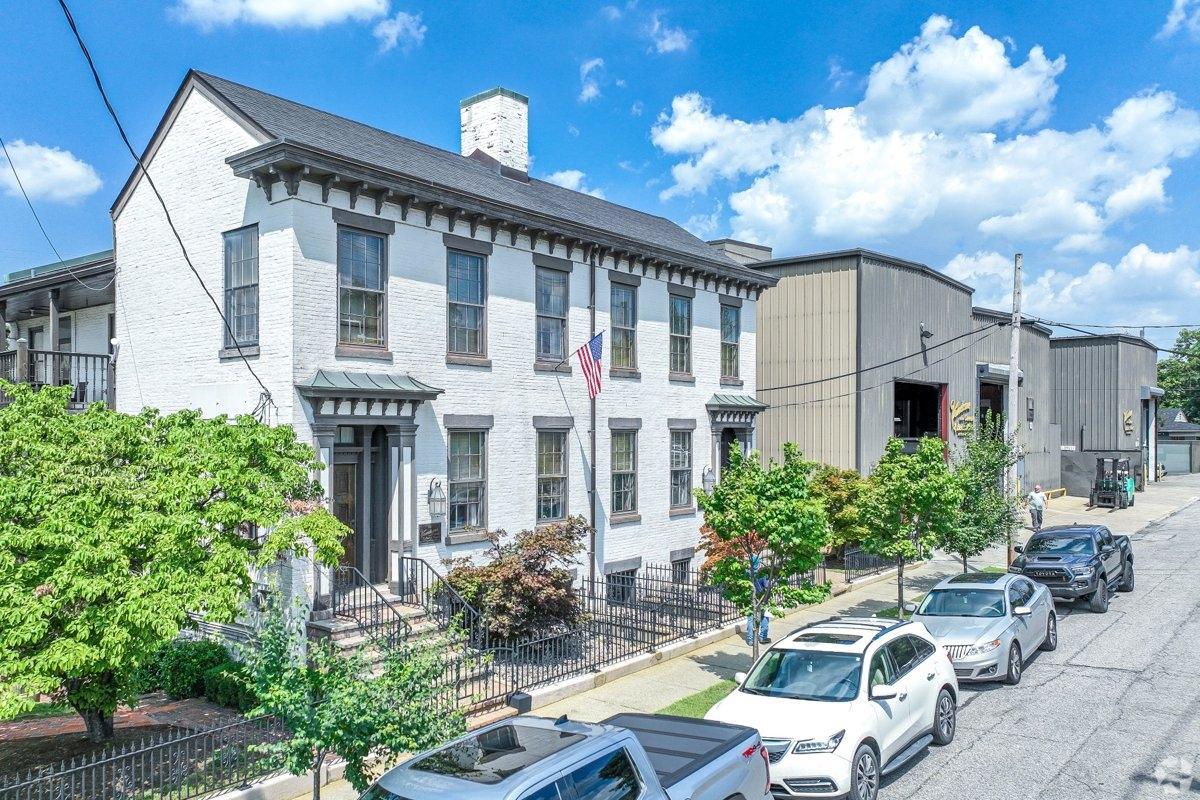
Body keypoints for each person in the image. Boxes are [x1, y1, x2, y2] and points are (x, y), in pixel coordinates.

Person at [745, 553, 771, 645]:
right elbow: (767, 586)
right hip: (761, 598)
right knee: (764, 617)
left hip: (750, 597)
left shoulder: (746, 573)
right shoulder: (762, 573)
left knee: (750, 618)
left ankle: (751, 640)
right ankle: (762, 637)